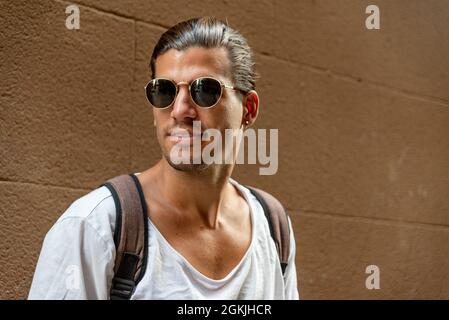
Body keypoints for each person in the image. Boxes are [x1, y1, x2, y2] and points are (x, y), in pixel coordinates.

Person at [28, 17, 299, 300]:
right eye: (165, 91)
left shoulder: (273, 227)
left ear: (249, 109)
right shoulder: (94, 227)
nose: (181, 110)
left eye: (204, 89)